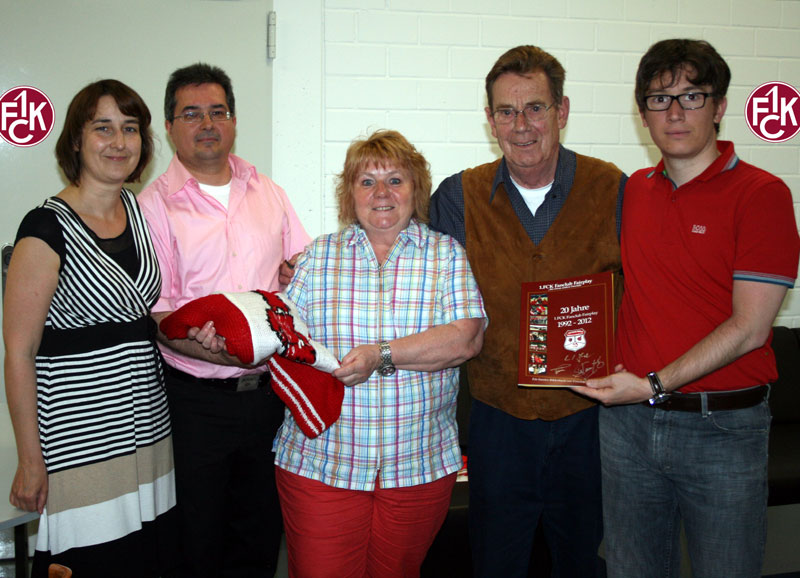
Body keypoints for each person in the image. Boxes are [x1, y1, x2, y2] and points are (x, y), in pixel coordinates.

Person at [574, 39, 800, 578]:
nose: (674, 113)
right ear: (642, 113)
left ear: (719, 107)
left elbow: (749, 328)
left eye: (691, 96)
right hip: (627, 429)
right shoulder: (632, 193)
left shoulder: (763, 195)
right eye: (659, 99)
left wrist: (653, 383)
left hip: (721, 430)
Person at [429, 45, 626, 577]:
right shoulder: (457, 197)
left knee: (583, 561)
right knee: (497, 561)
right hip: (497, 420)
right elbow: (414, 276)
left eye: (535, 108)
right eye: (507, 111)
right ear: (490, 120)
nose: (522, 125)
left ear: (561, 112)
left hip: (590, 419)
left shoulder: (614, 189)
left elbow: (645, 291)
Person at [273, 129, 487, 578]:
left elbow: (465, 338)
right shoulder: (317, 257)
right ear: (349, 195)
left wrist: (380, 355)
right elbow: (285, 337)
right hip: (322, 464)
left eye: (396, 179)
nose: (382, 193)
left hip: (417, 468)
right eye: (366, 181)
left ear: (416, 189)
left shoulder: (446, 256)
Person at [137, 63, 310, 578]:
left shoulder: (268, 191)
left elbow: (299, 274)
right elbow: (157, 311)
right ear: (169, 127)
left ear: (233, 121)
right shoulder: (153, 205)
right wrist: (208, 344)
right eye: (191, 114)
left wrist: (296, 276)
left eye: (218, 112)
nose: (207, 123)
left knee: (259, 536)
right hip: (194, 404)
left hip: (268, 397)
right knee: (198, 540)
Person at [3, 79, 179, 577]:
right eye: (103, 128)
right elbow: (19, 352)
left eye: (130, 129)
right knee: (93, 561)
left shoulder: (137, 214)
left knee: (147, 560)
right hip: (80, 440)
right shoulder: (45, 227)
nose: (119, 142)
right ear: (76, 140)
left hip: (147, 430)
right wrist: (30, 460)